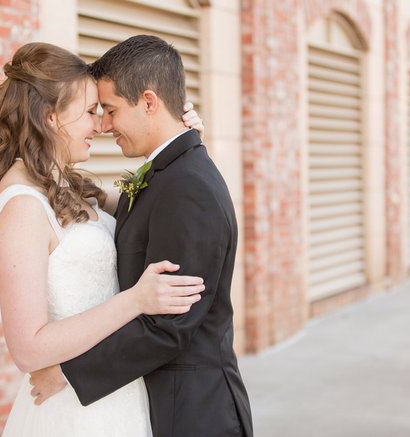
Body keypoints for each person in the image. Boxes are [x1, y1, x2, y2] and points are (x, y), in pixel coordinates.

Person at [0, 42, 207, 436]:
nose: (100, 126)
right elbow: (28, 348)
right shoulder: (21, 207)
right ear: (50, 118)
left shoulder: (69, 186)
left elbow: (152, 207)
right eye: (89, 112)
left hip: (116, 394)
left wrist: (182, 143)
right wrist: (135, 300)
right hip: (74, 415)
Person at [30, 35, 254, 437]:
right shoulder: (168, 173)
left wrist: (68, 372)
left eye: (111, 110)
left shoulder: (188, 186)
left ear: (149, 102)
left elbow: (170, 325)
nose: (104, 125)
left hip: (193, 414)